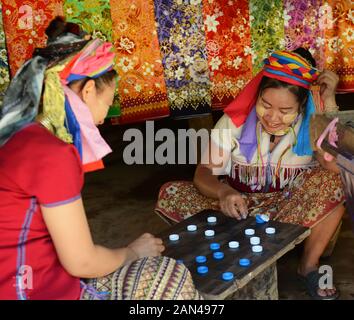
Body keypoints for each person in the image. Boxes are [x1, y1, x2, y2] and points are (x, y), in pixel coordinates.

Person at [0, 17, 202, 300]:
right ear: (88, 90)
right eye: (108, 103)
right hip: (28, 291)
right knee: (169, 278)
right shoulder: (50, 154)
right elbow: (81, 261)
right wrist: (131, 252)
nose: (105, 117)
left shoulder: (19, 137)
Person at [155, 49, 345, 300]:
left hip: (285, 209)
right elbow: (203, 173)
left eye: (285, 110)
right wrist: (224, 191)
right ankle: (237, 248)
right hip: (235, 208)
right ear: (256, 96)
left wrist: (328, 104)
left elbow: (337, 165)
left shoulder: (311, 123)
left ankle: (308, 265)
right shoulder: (234, 121)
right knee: (173, 192)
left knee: (335, 181)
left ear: (301, 108)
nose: (273, 117)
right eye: (265, 105)